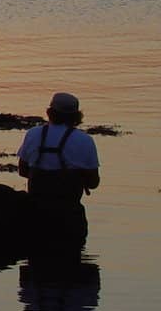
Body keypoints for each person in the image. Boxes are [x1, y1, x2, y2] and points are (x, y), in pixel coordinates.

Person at [17, 92, 100, 245]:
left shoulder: (33, 134)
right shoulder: (85, 140)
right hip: (70, 220)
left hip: (35, 217)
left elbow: (22, 170)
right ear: (77, 116)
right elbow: (94, 183)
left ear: (49, 112)